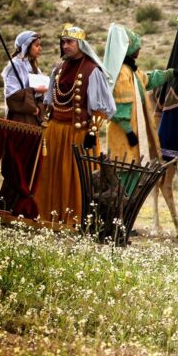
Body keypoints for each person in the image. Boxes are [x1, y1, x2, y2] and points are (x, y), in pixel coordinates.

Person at [35, 24, 116, 226]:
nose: (65, 46)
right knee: (51, 174)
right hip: (55, 130)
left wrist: (93, 131)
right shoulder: (59, 69)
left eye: (70, 42)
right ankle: (49, 214)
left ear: (80, 43)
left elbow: (100, 107)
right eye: (63, 42)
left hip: (79, 133)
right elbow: (49, 101)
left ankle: (75, 217)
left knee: (75, 177)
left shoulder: (92, 70)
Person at [102, 23, 172, 166]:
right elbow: (120, 106)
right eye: (136, 46)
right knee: (125, 168)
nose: (139, 49)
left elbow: (147, 80)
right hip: (125, 135)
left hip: (132, 133)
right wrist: (129, 132)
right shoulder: (122, 73)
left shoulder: (130, 70)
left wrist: (170, 74)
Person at [0, 30, 47, 213]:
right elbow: (12, 97)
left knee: (28, 164)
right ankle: (5, 205)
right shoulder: (13, 66)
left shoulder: (35, 69)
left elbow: (41, 96)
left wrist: (39, 103)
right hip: (19, 121)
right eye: (36, 45)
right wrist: (33, 95)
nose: (40, 49)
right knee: (16, 162)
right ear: (26, 46)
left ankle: (19, 206)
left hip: (33, 121)